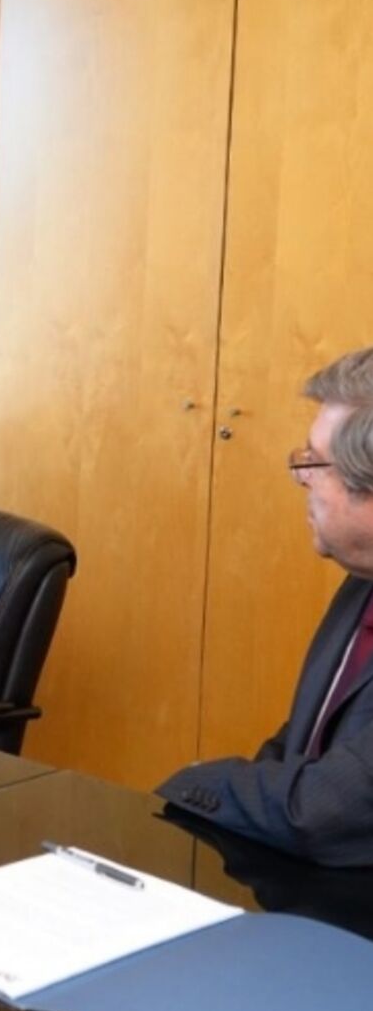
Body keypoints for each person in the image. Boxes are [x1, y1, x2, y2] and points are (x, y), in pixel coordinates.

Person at [157, 347, 373, 866]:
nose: (301, 478)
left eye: (314, 463)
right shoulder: (359, 581)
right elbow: (298, 745)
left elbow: (324, 809)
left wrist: (195, 780)